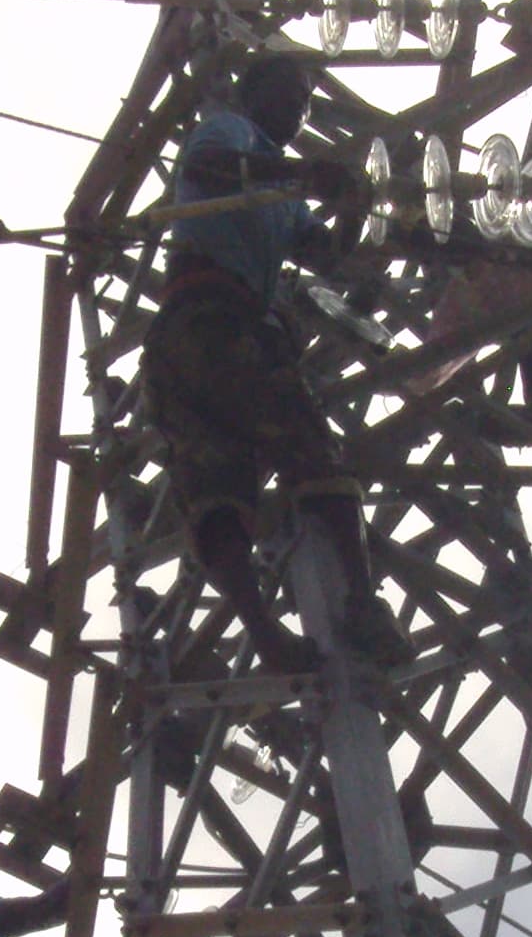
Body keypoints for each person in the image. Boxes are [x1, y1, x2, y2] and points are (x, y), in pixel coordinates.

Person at [143, 50, 411, 674]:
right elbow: (208, 168)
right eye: (290, 95)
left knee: (217, 485)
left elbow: (327, 257)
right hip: (220, 323)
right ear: (252, 91)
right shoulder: (234, 132)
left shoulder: (285, 199)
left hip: (184, 338)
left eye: (306, 103)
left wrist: (353, 213)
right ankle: (361, 602)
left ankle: (267, 635)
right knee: (311, 449)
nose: (298, 110)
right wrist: (300, 171)